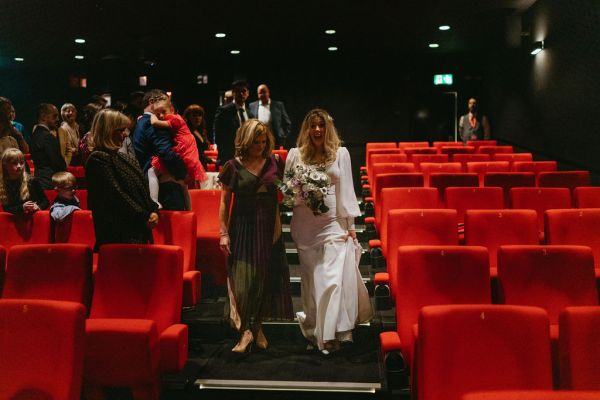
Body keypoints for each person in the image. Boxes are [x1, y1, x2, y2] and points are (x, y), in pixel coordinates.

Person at [285, 108, 372, 355]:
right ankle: (316, 329)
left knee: (331, 280)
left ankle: (331, 334)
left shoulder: (340, 154)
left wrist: (352, 227)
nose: (317, 130)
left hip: (333, 225)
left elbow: (346, 190)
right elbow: (286, 194)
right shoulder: (295, 156)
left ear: (327, 128)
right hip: (305, 226)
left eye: (321, 126)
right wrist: (305, 194)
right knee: (313, 283)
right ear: (307, 129)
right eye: (312, 126)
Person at [218, 119, 293, 353]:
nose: (260, 146)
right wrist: (223, 233)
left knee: (265, 279)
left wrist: (302, 190)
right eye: (255, 143)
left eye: (263, 142)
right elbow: (224, 202)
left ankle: (256, 328)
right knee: (242, 282)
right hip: (242, 227)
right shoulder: (232, 166)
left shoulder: (274, 163)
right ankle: (244, 331)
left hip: (269, 227)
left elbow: (286, 191)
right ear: (246, 142)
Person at [85, 109, 159, 251]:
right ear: (107, 131)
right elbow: (117, 195)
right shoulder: (98, 159)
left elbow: (142, 190)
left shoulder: (124, 158)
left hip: (137, 234)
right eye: (120, 130)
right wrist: (145, 216)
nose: (125, 135)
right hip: (118, 238)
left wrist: (154, 211)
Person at [148, 98, 207, 210]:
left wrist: (150, 115)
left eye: (163, 112)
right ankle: (190, 211)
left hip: (183, 152)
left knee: (152, 171)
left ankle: (154, 201)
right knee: (184, 187)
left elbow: (155, 123)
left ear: (172, 110)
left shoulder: (175, 119)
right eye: (158, 113)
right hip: (187, 153)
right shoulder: (179, 120)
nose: (161, 115)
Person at [133, 89, 188, 210]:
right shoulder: (154, 123)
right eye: (163, 101)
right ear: (152, 102)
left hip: (152, 183)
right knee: (178, 226)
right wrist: (183, 172)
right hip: (165, 187)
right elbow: (166, 153)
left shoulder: (141, 121)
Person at [213, 80, 255, 165]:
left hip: (248, 157)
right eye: (237, 91)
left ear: (248, 93)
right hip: (229, 157)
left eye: (243, 91)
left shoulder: (250, 114)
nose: (241, 94)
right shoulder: (224, 111)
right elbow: (218, 135)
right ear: (233, 93)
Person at [0, 148, 48, 214]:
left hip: (32, 218)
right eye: (14, 163)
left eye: (22, 163)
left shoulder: (31, 181)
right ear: (5, 166)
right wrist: (22, 207)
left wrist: (38, 206)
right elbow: (7, 208)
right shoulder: (3, 183)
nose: (19, 166)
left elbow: (45, 201)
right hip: (15, 220)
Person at [30, 103, 67, 189]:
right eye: (54, 116)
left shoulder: (35, 134)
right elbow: (57, 163)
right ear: (43, 117)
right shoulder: (47, 137)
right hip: (51, 182)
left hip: (41, 180)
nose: (58, 119)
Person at [249, 84, 292, 148]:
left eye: (264, 92)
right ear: (257, 94)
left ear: (268, 92)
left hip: (276, 142)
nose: (262, 94)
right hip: (258, 142)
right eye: (260, 93)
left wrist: (283, 137)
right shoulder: (252, 106)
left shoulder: (278, 105)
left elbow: (287, 123)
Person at [183, 104, 215, 169]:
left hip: (201, 166)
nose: (197, 118)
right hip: (193, 168)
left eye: (200, 115)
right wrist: (210, 160)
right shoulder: (187, 132)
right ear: (188, 117)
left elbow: (200, 153)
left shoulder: (198, 131)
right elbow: (193, 155)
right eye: (194, 115)